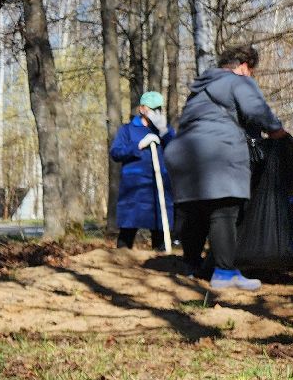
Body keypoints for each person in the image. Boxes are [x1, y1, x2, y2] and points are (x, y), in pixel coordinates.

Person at [164, 43, 289, 290]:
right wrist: (277, 131)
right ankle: (225, 273)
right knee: (224, 209)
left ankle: (191, 267)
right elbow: (257, 110)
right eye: (251, 71)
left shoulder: (199, 89)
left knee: (196, 209)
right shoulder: (238, 81)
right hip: (217, 151)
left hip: (182, 152)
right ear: (243, 66)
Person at [108, 92, 175, 249]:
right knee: (128, 230)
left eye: (158, 108)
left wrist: (164, 131)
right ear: (142, 108)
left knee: (160, 230)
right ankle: (120, 264)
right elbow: (116, 152)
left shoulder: (164, 129)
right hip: (134, 188)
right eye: (152, 109)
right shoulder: (128, 130)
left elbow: (176, 150)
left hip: (158, 187)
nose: (156, 112)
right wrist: (137, 145)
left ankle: (161, 265)